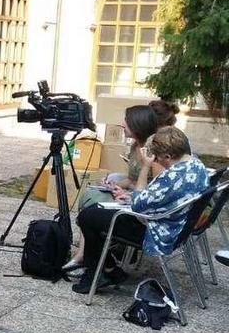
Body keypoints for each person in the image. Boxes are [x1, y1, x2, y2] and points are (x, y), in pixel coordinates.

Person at [72, 126, 209, 293]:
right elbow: (155, 198)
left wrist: (145, 166)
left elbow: (138, 205)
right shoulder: (197, 165)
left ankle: (98, 273)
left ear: (168, 156)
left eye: (158, 159)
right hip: (177, 227)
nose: (157, 161)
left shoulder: (172, 177)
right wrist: (130, 195)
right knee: (96, 214)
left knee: (88, 216)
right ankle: (108, 268)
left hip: (157, 232)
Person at [63, 103, 170, 274]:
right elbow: (130, 178)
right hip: (133, 194)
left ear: (137, 124)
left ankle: (86, 254)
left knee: (93, 202)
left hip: (143, 206)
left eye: (126, 121)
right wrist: (114, 185)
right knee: (92, 192)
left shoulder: (152, 150)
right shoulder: (136, 146)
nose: (122, 125)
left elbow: (159, 187)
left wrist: (129, 194)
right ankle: (88, 252)